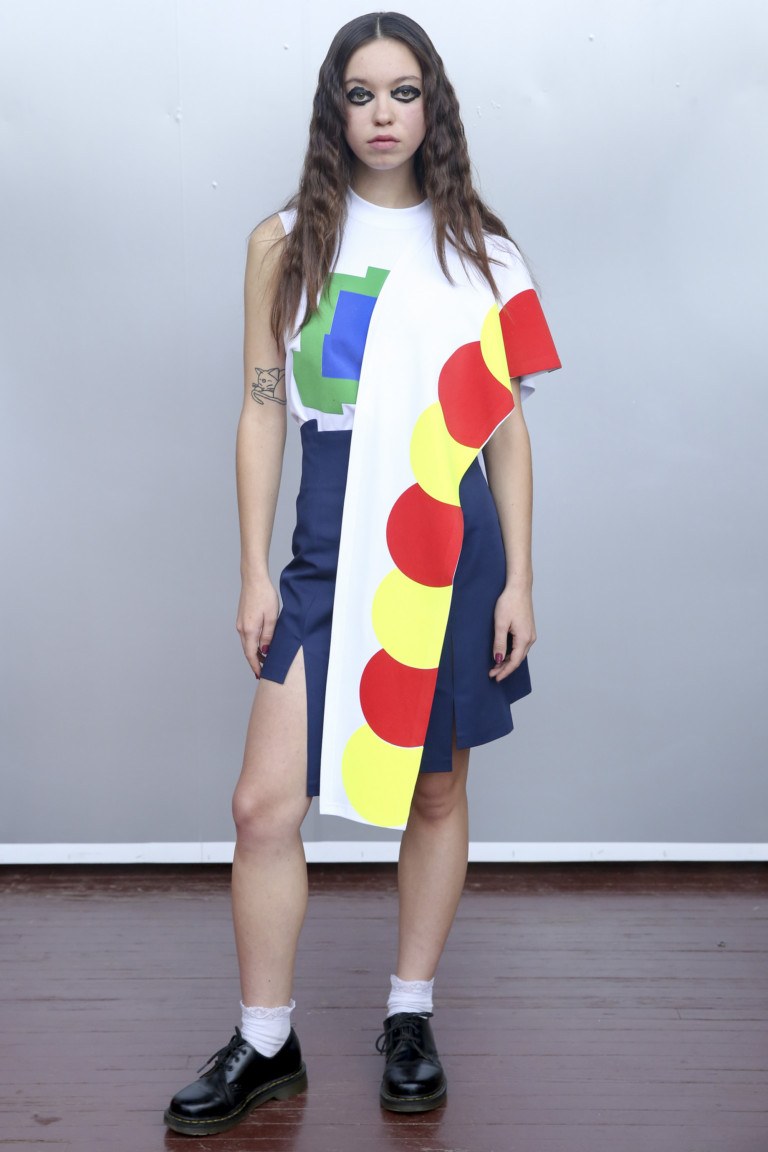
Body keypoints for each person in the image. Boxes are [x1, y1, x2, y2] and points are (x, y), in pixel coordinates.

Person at [164, 10, 559, 1137]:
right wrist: (253, 572)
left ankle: (410, 1014)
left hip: (448, 539)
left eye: (403, 92)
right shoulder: (284, 242)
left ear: (435, 107)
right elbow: (260, 411)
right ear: (333, 110)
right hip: (329, 544)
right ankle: (266, 1043)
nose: (383, 114)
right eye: (360, 93)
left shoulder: (486, 252)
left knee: (435, 788)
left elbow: (507, 434)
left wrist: (521, 580)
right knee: (262, 805)